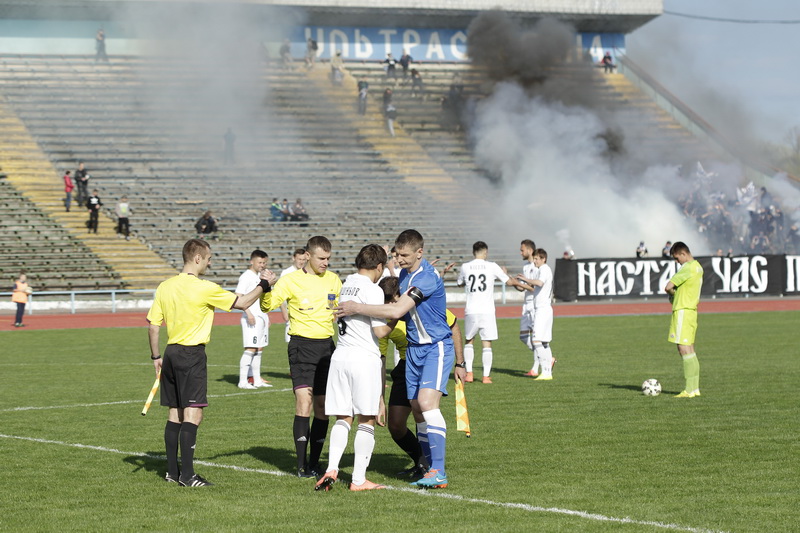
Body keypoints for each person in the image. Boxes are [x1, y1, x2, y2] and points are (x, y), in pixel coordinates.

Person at [336, 229, 467, 489]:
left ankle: (439, 470)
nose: (400, 259)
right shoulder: (405, 274)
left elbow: (397, 309)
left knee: (427, 404)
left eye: (405, 255)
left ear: (420, 252)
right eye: (397, 254)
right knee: (417, 409)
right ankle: (429, 468)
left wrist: (356, 307)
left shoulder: (427, 278)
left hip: (435, 347)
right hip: (414, 350)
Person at [147, 238, 277, 487]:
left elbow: (153, 327)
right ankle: (188, 476)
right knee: (193, 415)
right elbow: (243, 303)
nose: (210, 262)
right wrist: (265, 283)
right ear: (197, 258)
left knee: (175, 413)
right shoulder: (203, 287)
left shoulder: (165, 286)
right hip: (191, 354)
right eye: (208, 258)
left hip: (171, 352)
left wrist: (156, 357)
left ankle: (172, 472)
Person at [259, 236, 342, 477]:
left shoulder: (334, 280)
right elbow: (267, 305)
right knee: (304, 402)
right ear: (307, 255)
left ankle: (315, 463)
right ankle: (301, 465)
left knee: (323, 407)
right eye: (321, 258)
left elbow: (338, 311)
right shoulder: (290, 281)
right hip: (301, 346)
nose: (326, 263)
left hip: (327, 348)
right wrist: (266, 287)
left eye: (328, 258)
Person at [315, 244, 392, 492]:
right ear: (379, 267)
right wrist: (398, 314)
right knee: (367, 419)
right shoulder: (373, 289)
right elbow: (380, 331)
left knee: (342, 417)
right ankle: (358, 480)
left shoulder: (346, 283)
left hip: (340, 356)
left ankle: (332, 468)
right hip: (363, 358)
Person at [378, 276, 464, 479]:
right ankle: (422, 461)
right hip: (406, 365)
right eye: (386, 302)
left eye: (392, 301)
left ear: (401, 296)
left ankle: (431, 466)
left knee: (422, 411)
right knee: (396, 425)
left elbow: (453, 327)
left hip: (430, 358)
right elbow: (380, 358)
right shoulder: (385, 320)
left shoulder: (423, 305)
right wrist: (380, 396)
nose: (390, 306)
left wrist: (460, 363)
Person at [456, 241, 522, 384]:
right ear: (485, 252)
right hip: (487, 311)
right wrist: (519, 283)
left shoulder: (465, 266)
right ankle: (486, 376)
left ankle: (469, 374)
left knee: (469, 341)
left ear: (473, 252)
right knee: (487, 343)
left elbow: (459, 282)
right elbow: (508, 282)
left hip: (471, 310)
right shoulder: (492, 266)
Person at [664, 241, 704, 398]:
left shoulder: (687, 267)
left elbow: (668, 286)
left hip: (682, 310)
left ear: (683, 254)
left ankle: (688, 389)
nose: (676, 262)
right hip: (692, 311)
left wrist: (673, 294)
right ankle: (694, 388)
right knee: (691, 350)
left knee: (683, 349)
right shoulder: (698, 267)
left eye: (676, 258)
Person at [236, 250, 274, 390]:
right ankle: (242, 381)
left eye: (264, 262)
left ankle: (257, 380)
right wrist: (248, 313)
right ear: (251, 261)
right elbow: (238, 297)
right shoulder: (246, 277)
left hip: (261, 317)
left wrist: (266, 316)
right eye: (260, 262)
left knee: (259, 348)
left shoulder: (260, 276)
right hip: (250, 317)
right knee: (250, 348)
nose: (262, 265)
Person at [515, 249, 555, 380]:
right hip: (544, 309)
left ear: (543, 259)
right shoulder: (543, 269)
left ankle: (545, 371)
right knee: (544, 342)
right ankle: (548, 372)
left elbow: (539, 282)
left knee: (536, 340)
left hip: (542, 309)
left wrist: (526, 279)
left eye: (537, 258)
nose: (535, 261)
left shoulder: (544, 269)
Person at [514, 239, 540, 376]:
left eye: (522, 250)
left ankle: (535, 368)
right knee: (523, 337)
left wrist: (520, 283)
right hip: (526, 304)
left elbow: (532, 287)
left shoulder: (536, 267)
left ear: (529, 250)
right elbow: (522, 288)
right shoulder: (525, 267)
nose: (520, 252)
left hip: (534, 304)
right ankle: (545, 356)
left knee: (536, 337)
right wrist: (511, 281)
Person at [280, 248, 308, 343]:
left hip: (306, 313)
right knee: (292, 344)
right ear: (293, 258)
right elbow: (280, 294)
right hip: (291, 313)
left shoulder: (308, 273)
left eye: (303, 259)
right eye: (299, 259)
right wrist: (284, 311)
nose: (301, 262)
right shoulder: (286, 273)